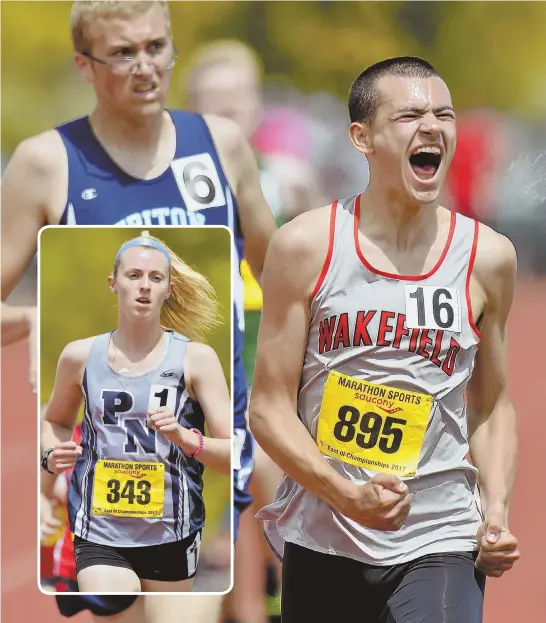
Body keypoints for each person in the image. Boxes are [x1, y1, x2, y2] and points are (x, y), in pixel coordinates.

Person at [1, 1, 276, 621]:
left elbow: (284, 275)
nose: (146, 66)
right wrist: (30, 321)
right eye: (123, 53)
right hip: (107, 477)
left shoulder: (221, 147)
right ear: (84, 64)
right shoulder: (47, 163)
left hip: (205, 459)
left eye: (156, 47)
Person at [249, 56, 521, 623]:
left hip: (441, 533)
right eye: (410, 115)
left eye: (444, 114)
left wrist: (494, 510)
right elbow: (270, 407)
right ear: (362, 138)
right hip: (327, 532)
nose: (432, 126)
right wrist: (344, 493)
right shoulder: (306, 246)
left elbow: (491, 402)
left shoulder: (487, 257)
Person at [41, 233, 231, 593]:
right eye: (134, 276)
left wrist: (184, 437)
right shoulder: (80, 356)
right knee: (115, 601)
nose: (144, 286)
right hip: (100, 530)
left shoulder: (196, 360)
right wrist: (51, 454)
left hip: (172, 531)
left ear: (169, 288)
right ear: (113, 284)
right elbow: (55, 421)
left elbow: (230, 456)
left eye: (155, 278)